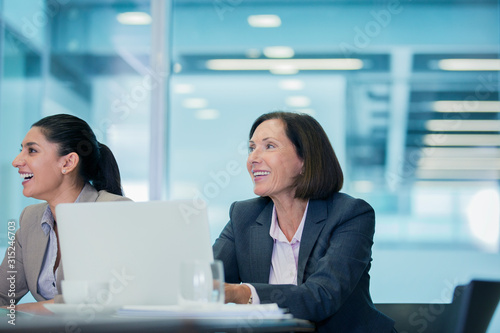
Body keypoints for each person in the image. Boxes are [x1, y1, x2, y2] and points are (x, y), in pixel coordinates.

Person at [213, 111, 396, 332]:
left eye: (269, 146)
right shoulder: (243, 215)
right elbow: (210, 280)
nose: (253, 158)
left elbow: (322, 296)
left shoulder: (350, 214)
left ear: (304, 161)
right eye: (252, 148)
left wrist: (242, 293)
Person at [0, 114, 131, 314]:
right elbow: (3, 293)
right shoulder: (30, 219)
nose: (17, 161)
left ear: (68, 163)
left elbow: (99, 299)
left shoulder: (112, 211)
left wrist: (21, 310)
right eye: (21, 150)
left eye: (32, 150)